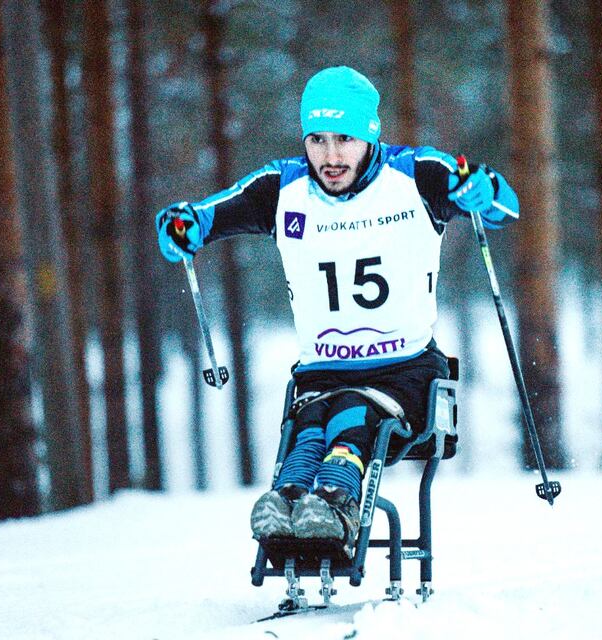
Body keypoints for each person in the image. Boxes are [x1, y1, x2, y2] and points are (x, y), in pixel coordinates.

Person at [156, 66, 519, 554]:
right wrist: (182, 226)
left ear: (370, 135)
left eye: (344, 138)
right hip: (320, 376)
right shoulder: (281, 189)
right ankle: (288, 504)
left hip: (405, 372)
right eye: (317, 139)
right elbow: (202, 217)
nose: (330, 156)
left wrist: (485, 190)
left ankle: (337, 502)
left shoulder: (415, 175)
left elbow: (503, 206)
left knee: (353, 414)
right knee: (310, 425)